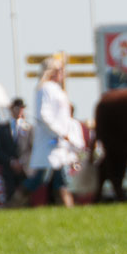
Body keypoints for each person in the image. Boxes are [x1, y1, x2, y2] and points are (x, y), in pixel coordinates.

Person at [16, 56, 84, 207]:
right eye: (60, 70)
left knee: (57, 179)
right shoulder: (45, 89)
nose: (63, 73)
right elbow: (44, 115)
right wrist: (61, 133)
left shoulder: (55, 89)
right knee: (42, 179)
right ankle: (13, 204)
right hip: (50, 143)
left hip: (56, 145)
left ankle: (67, 209)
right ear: (53, 71)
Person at [0, 97, 33, 203]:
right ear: (11, 109)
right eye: (17, 108)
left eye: (21, 108)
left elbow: (31, 148)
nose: (19, 111)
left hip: (24, 168)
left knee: (24, 194)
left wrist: (22, 162)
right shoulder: (2, 128)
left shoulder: (28, 127)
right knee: (10, 193)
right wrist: (11, 162)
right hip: (8, 168)